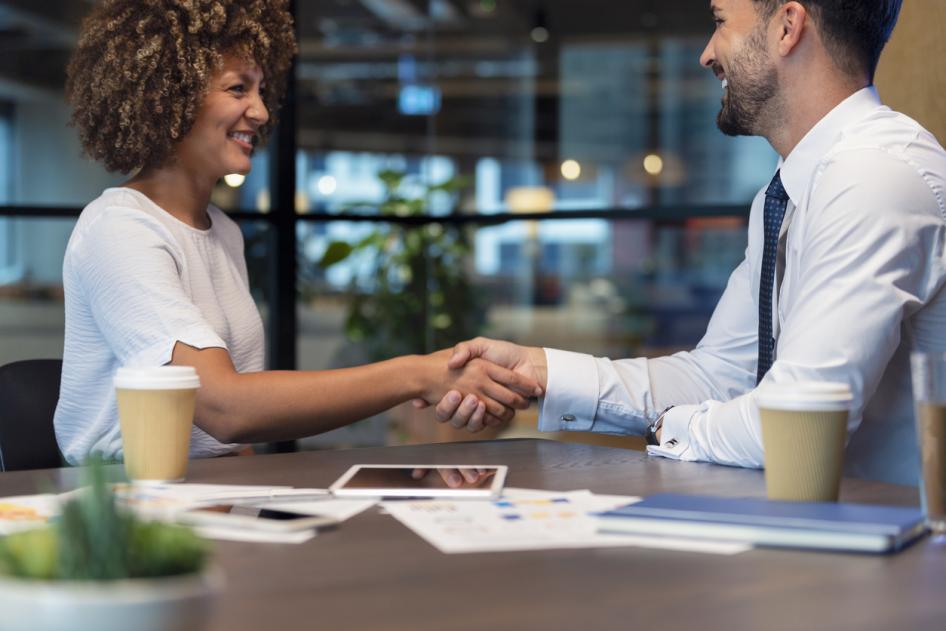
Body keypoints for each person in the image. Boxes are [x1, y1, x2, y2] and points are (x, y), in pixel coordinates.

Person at [430, 0, 946, 486]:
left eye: (721, 21)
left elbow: (798, 422)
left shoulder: (873, 176)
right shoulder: (791, 189)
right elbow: (721, 374)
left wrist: (670, 427)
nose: (706, 53)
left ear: (787, 26)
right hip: (836, 537)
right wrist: (541, 371)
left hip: (906, 560)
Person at [54, 0, 541, 466]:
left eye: (261, 90)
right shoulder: (120, 229)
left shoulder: (221, 231)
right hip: (128, 512)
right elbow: (224, 409)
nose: (262, 112)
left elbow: (224, 439)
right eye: (238, 89)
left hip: (209, 497)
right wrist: (417, 374)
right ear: (169, 95)